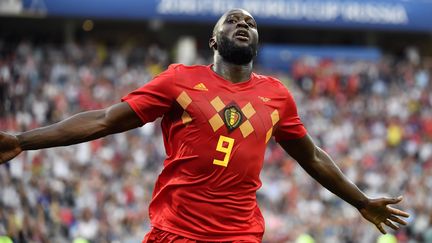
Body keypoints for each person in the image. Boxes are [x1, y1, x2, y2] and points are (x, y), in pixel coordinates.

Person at [0, 8, 409, 242]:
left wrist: (360, 201)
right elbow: (104, 120)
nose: (243, 24)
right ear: (214, 40)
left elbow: (312, 156)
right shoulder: (179, 81)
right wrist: (22, 140)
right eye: (232, 20)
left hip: (239, 236)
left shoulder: (277, 97)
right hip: (176, 233)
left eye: (250, 22)